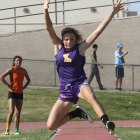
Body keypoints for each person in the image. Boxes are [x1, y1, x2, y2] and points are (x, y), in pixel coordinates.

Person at [44, 0, 124, 134]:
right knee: (51, 125)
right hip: (65, 89)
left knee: (91, 96)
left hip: (79, 83)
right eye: (66, 39)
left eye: (71, 39)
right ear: (62, 40)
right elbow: (49, 28)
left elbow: (98, 30)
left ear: (75, 40)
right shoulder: (58, 47)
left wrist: (112, 13)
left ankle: (107, 122)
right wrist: (45, 10)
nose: (68, 41)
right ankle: (76, 113)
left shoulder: (80, 48)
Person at [0, 56, 30, 135]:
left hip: (20, 93)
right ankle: (7, 129)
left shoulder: (23, 70)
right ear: (14, 61)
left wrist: (23, 87)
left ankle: (16, 130)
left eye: (20, 61)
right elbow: (1, 77)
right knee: (11, 111)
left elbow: (28, 80)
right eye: (17, 60)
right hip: (12, 93)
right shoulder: (11, 69)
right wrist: (9, 86)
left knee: (18, 113)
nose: (18, 62)